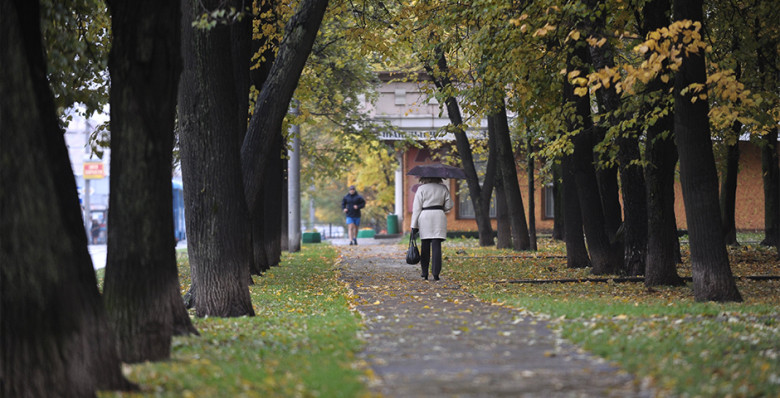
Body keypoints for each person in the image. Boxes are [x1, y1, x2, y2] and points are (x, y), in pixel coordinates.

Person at [410, 177, 453, 280]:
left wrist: (414, 226)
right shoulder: (443, 188)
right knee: (436, 245)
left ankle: (424, 273)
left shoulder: (421, 189)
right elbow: (449, 205)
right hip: (439, 215)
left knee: (425, 245)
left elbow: (416, 208)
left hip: (425, 216)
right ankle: (436, 273)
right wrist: (441, 208)